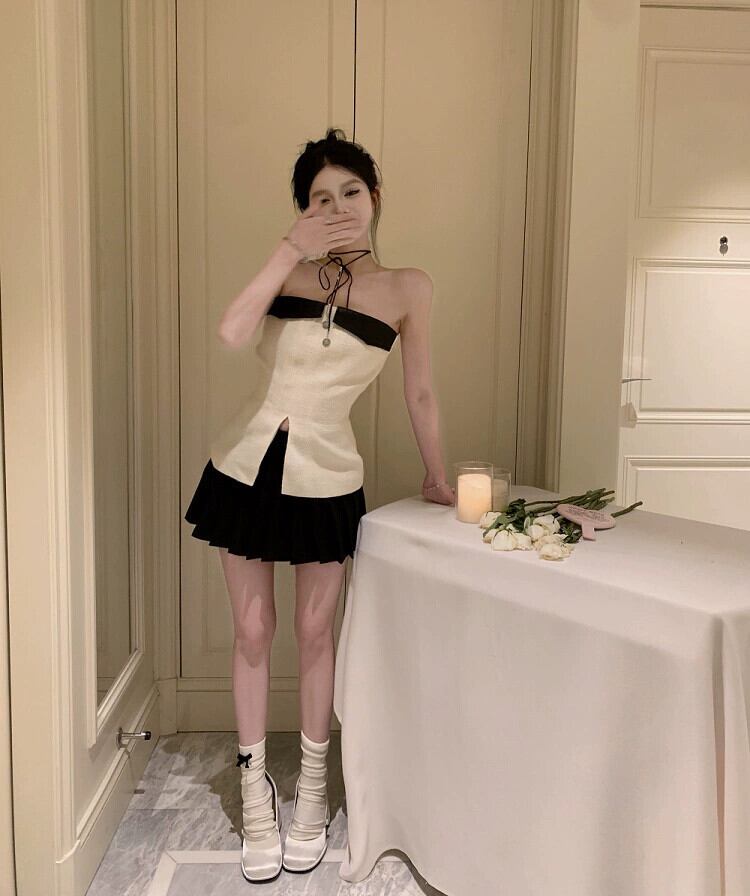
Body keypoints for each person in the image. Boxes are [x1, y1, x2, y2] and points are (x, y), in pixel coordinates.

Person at [184, 127, 455, 883]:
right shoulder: (291, 271)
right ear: (303, 208)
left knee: (313, 634)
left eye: (351, 192)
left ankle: (310, 791)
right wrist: (286, 249)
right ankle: (255, 792)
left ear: (375, 197)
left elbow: (421, 391)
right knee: (251, 630)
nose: (337, 208)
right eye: (319, 198)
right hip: (242, 469)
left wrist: (437, 476)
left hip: (327, 478)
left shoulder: (408, 288)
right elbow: (231, 332)